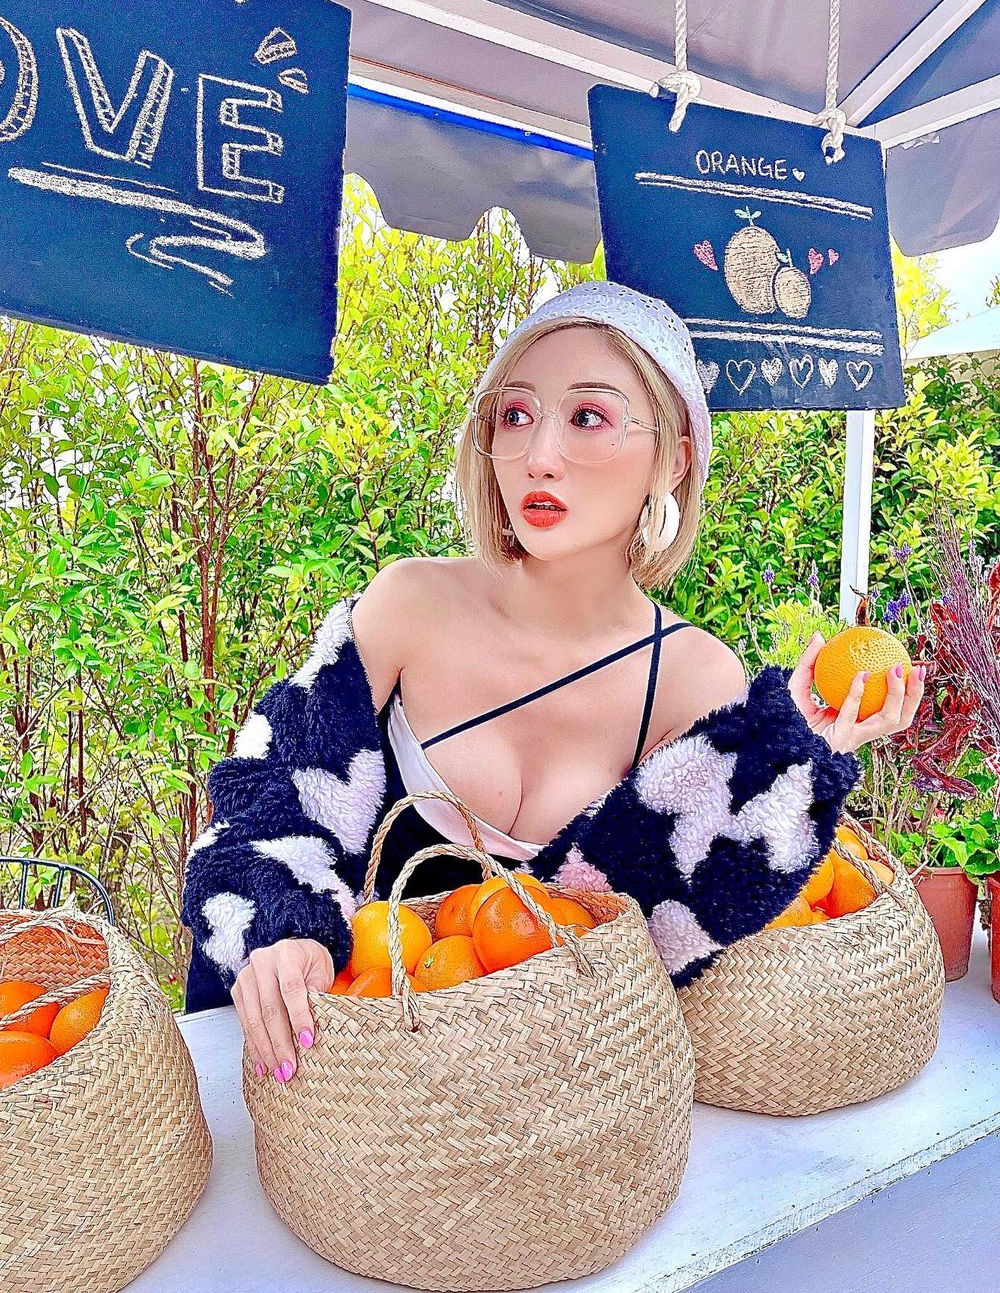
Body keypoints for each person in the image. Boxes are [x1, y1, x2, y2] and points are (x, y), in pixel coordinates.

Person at [180, 280, 924, 1082]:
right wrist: (283, 926)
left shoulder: (694, 678)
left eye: (588, 417)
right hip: (350, 1076)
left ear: (673, 458)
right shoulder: (407, 605)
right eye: (515, 414)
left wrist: (790, 763)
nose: (538, 455)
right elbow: (269, 795)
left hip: (547, 1101)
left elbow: (667, 927)